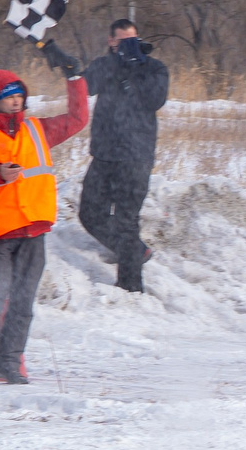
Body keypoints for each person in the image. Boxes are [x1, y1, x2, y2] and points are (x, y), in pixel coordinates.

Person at [0, 67, 90, 384]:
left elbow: (78, 119)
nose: (16, 103)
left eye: (19, 97)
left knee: (23, 303)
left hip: (34, 231)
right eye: (8, 98)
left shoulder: (39, 129)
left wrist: (74, 80)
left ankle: (10, 364)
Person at [43, 19, 169, 293]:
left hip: (136, 156)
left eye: (133, 39)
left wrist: (134, 71)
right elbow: (83, 87)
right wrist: (67, 68)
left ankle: (130, 287)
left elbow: (155, 100)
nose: (128, 46)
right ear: (111, 42)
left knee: (126, 219)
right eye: (123, 41)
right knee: (90, 214)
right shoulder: (105, 65)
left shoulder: (154, 68)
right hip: (104, 154)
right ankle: (135, 251)